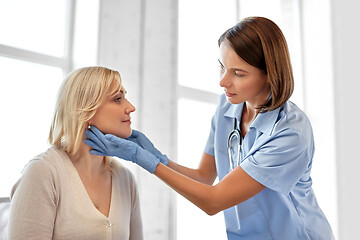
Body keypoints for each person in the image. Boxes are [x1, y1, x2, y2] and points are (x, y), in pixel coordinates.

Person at [85, 17, 334, 239]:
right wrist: (159, 157)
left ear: (270, 74)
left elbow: (214, 200)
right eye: (222, 67)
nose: (223, 82)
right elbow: (204, 177)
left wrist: (145, 161)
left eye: (238, 73)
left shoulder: (291, 132)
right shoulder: (227, 108)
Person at [9, 66, 143, 240]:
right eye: (118, 99)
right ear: (86, 111)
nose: (131, 107)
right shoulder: (43, 172)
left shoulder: (125, 179)